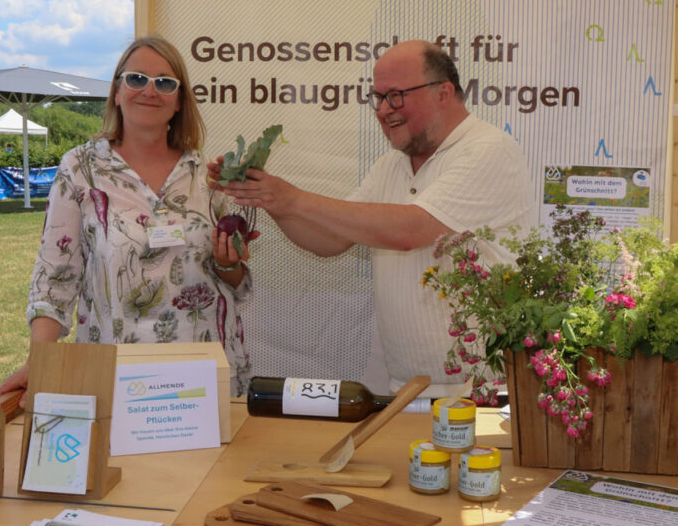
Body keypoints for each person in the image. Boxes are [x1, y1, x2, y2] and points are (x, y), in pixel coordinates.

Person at [210, 40, 534, 398]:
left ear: (444, 92)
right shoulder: (392, 164)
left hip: (484, 390)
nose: (383, 110)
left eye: (396, 96)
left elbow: (410, 230)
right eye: (378, 98)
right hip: (409, 390)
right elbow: (329, 240)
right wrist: (269, 198)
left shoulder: (488, 149)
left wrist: (292, 197)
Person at [0, 36, 254, 405]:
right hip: (117, 378)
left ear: (179, 102)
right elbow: (54, 276)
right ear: (116, 92)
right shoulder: (80, 169)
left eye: (165, 82)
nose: (150, 90)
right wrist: (40, 360)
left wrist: (229, 265)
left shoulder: (207, 176)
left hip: (202, 375)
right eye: (136, 79)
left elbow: (237, 285)